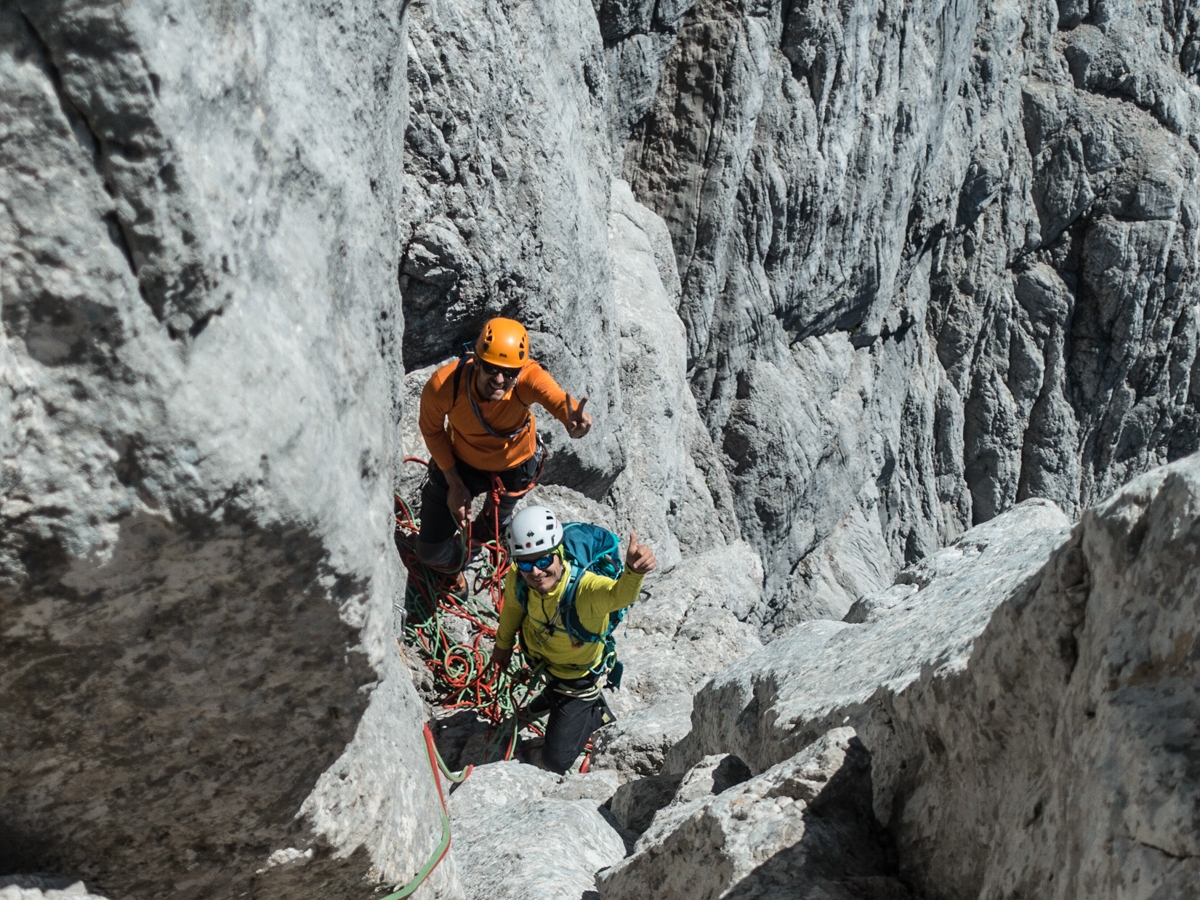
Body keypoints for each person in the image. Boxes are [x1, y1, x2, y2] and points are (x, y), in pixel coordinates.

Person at [415, 318, 593, 571]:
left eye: (509, 372)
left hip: (515, 468)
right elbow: (431, 430)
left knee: (493, 523)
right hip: (461, 463)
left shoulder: (526, 379)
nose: (500, 379)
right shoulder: (444, 386)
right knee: (430, 552)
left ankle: (484, 535)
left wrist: (573, 422)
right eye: (491, 368)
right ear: (476, 361)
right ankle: (456, 565)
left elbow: (555, 398)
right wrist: (455, 484)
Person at [490, 505, 657, 774]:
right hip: (545, 666)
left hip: (577, 681)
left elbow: (619, 596)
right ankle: (554, 696)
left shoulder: (584, 589)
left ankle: (595, 711)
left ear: (559, 555)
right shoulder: (519, 579)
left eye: (544, 561)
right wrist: (503, 644)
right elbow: (512, 608)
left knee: (554, 763)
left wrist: (634, 573)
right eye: (525, 563)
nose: (535, 572)